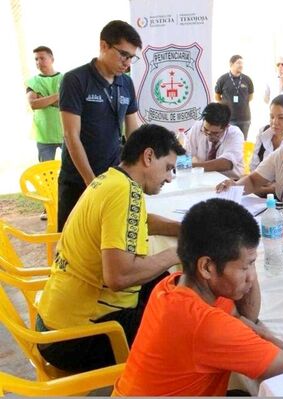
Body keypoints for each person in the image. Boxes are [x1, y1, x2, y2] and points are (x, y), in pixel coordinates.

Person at [113, 199, 283, 396]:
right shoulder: (207, 325)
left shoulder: (173, 285)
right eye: (245, 267)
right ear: (206, 267)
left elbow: (247, 314)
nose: (251, 276)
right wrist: (262, 333)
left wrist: (246, 263)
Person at [36, 124, 185, 372]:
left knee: (167, 284)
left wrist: (184, 229)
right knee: (182, 329)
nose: (170, 177)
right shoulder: (125, 193)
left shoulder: (110, 180)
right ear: (148, 157)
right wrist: (179, 252)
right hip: (72, 338)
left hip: (56, 320)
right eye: (168, 167)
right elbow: (119, 276)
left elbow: (142, 220)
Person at [58, 20, 141, 231]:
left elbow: (133, 133)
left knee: (112, 239)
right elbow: (71, 135)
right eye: (123, 54)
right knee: (73, 243)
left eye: (132, 57)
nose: (127, 63)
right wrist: (91, 182)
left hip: (113, 176)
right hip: (79, 179)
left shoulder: (126, 83)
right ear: (104, 46)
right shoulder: (75, 80)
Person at [183, 102, 244, 179]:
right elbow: (186, 154)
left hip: (229, 180)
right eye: (205, 130)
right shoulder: (197, 127)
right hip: (202, 178)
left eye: (214, 133)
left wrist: (194, 165)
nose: (209, 135)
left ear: (226, 127)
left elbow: (226, 163)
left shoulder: (235, 134)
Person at [26, 46, 63, 163]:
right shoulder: (33, 82)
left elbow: (69, 102)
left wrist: (44, 100)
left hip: (66, 132)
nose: (38, 62)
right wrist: (57, 95)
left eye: (42, 58)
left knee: (71, 169)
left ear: (52, 59)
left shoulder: (65, 79)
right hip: (44, 134)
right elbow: (33, 104)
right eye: (36, 59)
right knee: (46, 171)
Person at [250, 94, 283, 171]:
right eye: (272, 117)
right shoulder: (264, 133)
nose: (275, 122)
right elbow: (253, 167)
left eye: (281, 118)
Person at [215, 55, 254, 139]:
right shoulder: (223, 79)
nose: (241, 65)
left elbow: (250, 96)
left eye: (242, 63)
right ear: (231, 64)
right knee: (228, 142)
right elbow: (217, 96)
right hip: (228, 119)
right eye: (238, 63)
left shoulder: (247, 79)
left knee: (243, 143)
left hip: (244, 119)